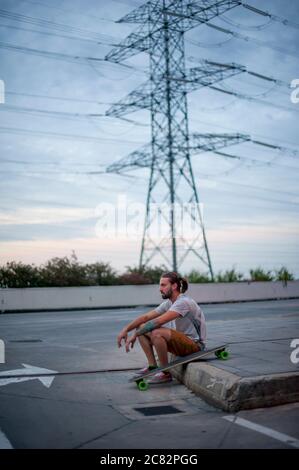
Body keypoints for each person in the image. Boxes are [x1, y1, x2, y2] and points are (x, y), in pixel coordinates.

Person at [117, 271, 207, 384]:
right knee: (141, 326)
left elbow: (157, 322)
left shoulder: (183, 302)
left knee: (155, 332)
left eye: (163, 285)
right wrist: (125, 329)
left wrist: (135, 334)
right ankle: (152, 366)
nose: (160, 289)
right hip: (181, 342)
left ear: (174, 286)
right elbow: (145, 317)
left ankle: (165, 373)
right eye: (160, 285)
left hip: (195, 345)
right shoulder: (169, 303)